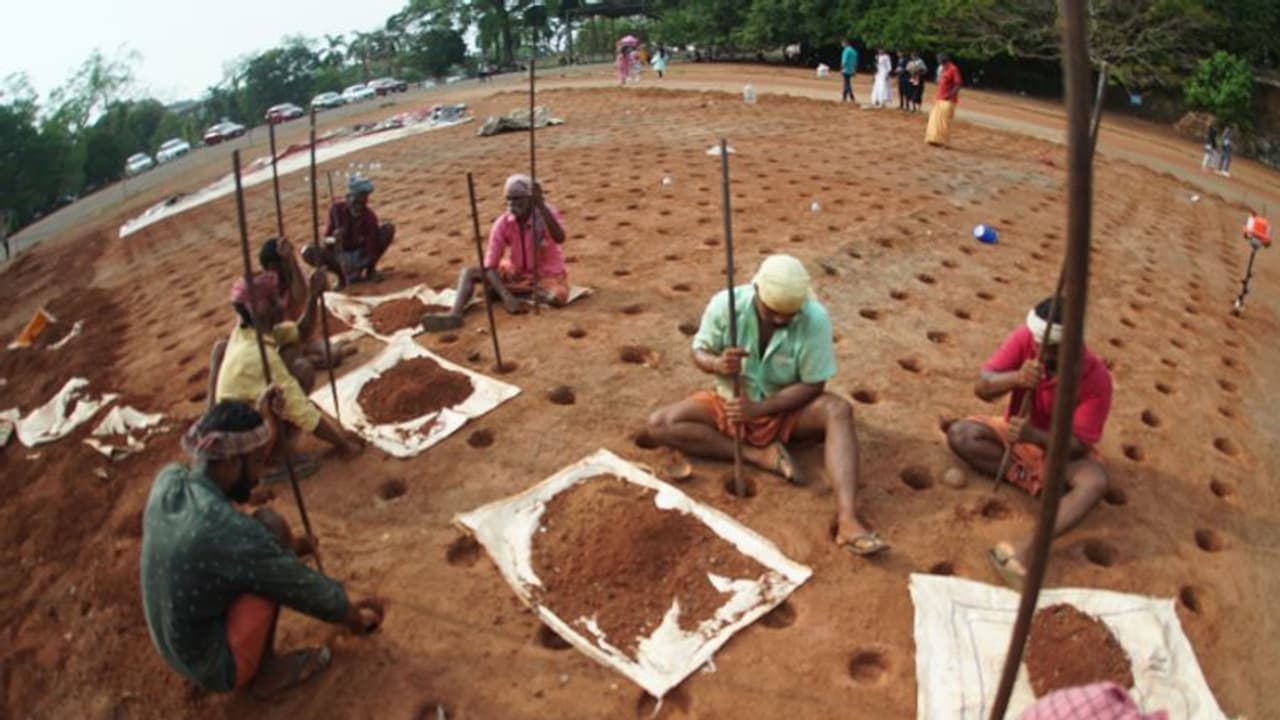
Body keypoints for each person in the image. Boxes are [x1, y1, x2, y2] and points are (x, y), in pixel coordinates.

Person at [141, 390, 385, 699]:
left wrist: (262, 415)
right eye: (256, 462)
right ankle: (266, 671)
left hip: (176, 642)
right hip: (217, 665)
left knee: (262, 546)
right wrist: (351, 616)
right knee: (270, 536)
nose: (260, 474)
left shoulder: (170, 480)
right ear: (229, 462)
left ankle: (273, 566)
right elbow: (301, 586)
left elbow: (214, 467)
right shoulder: (230, 534)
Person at [646, 255, 887, 556]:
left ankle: (848, 518)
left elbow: (814, 384)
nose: (781, 320)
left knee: (838, 411)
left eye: (789, 315)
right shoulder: (726, 305)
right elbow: (699, 350)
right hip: (729, 403)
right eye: (772, 313)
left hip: (784, 409)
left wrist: (762, 409)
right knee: (660, 424)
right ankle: (758, 455)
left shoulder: (815, 319)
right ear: (757, 291)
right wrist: (716, 363)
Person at [945, 297, 1113, 589]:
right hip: (1015, 436)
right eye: (1039, 342)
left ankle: (1026, 548)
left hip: (1057, 450)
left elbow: (1078, 444)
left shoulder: (1096, 378)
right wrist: (1015, 377)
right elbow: (983, 387)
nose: (1041, 351)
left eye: (1051, 348)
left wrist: (1033, 436)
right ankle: (1029, 478)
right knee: (962, 435)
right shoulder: (1027, 338)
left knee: (1094, 483)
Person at [209, 272, 364, 480]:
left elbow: (300, 332)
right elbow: (301, 410)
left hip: (239, 419)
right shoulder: (256, 355)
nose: (280, 305)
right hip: (237, 443)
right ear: (254, 310)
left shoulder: (251, 331)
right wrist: (342, 444)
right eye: (271, 301)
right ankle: (266, 463)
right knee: (290, 392)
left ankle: (276, 449)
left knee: (300, 366)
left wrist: (313, 297)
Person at [421, 174, 569, 332]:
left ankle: (516, 291)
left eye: (518, 199)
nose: (512, 204)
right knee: (469, 273)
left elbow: (560, 238)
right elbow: (490, 265)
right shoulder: (503, 223)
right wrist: (507, 298)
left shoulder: (546, 214)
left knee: (557, 297)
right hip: (517, 271)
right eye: (509, 199)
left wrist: (541, 205)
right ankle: (455, 314)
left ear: (530, 199)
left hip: (545, 275)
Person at [259, 237, 355, 370]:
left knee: (332, 356)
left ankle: (329, 351)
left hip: (302, 337)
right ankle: (315, 357)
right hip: (281, 345)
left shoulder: (293, 276)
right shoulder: (264, 288)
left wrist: (291, 261)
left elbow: (300, 296)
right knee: (287, 363)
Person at [302, 177, 394, 288]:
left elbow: (371, 247)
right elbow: (326, 241)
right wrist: (334, 239)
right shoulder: (336, 210)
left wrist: (361, 265)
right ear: (348, 198)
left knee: (388, 229)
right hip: (338, 256)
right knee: (308, 251)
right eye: (355, 200)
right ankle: (341, 277)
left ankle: (370, 271)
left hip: (359, 255)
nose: (359, 205)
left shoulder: (370, 217)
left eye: (363, 201)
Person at [926, 52, 963, 146]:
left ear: (943, 60)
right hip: (940, 97)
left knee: (944, 122)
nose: (938, 61)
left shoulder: (953, 69)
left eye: (939, 59)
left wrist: (950, 95)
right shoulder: (943, 69)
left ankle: (944, 141)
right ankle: (934, 139)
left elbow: (958, 84)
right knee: (934, 119)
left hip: (948, 100)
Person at [840, 39, 859, 103]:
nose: (842, 45)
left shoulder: (846, 51)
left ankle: (851, 96)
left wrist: (842, 67)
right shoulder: (854, 51)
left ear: (846, 43)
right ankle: (844, 97)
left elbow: (844, 60)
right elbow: (856, 62)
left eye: (842, 43)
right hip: (852, 69)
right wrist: (855, 70)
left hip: (846, 69)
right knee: (846, 83)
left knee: (847, 83)